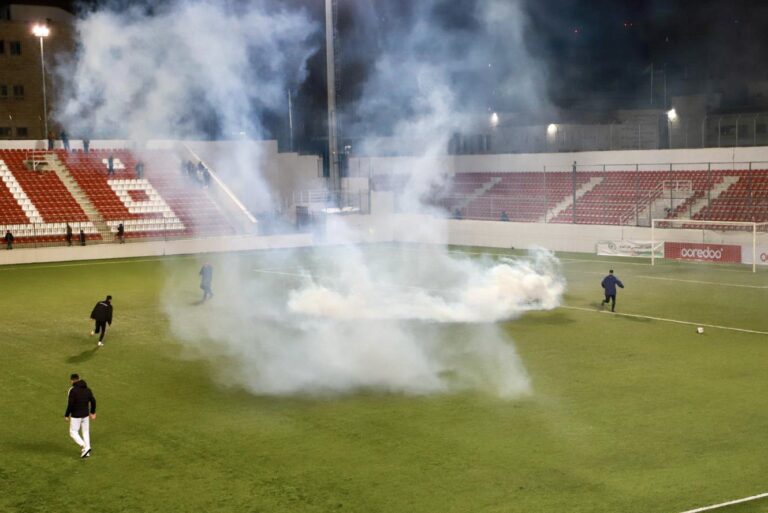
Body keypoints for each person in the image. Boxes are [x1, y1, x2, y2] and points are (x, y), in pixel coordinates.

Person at [64, 373, 96, 459]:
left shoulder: (72, 390)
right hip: (85, 415)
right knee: (85, 432)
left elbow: (70, 404)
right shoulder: (87, 389)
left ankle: (84, 446)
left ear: (72, 381)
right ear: (79, 379)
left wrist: (67, 415)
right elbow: (93, 401)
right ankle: (87, 452)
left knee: (73, 432)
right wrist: (92, 412)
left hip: (76, 415)